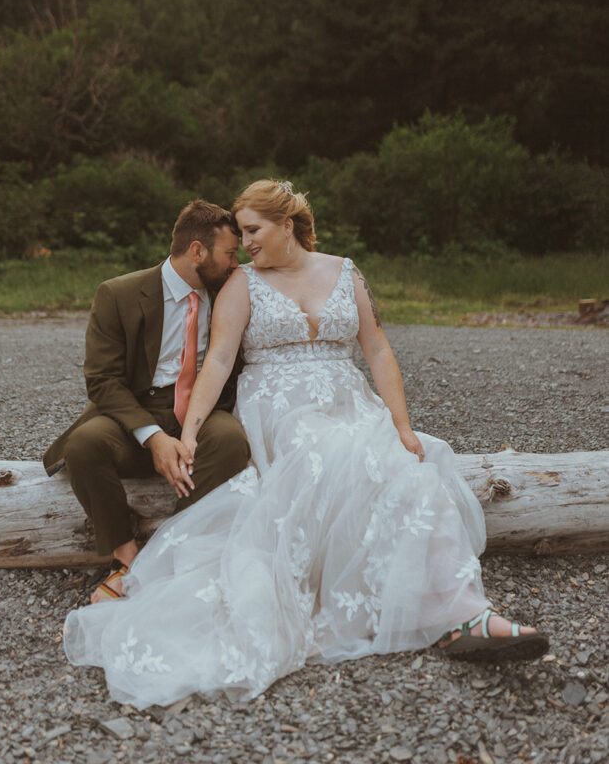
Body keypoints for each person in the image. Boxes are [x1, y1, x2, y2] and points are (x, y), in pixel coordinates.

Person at [63, 180, 548, 706]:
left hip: (349, 401)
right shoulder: (242, 283)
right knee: (335, 456)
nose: (245, 244)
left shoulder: (346, 271)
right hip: (281, 410)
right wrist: (190, 431)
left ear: (286, 225)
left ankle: (464, 614)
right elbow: (219, 360)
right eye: (240, 234)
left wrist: (402, 425)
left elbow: (378, 350)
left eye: (253, 230)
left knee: (415, 466)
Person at [43, 199, 251, 602]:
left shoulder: (230, 290)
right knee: (85, 444)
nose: (234, 264)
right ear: (197, 251)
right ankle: (126, 555)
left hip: (202, 412)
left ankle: (167, 551)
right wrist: (154, 438)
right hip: (137, 411)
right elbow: (102, 381)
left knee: (230, 442)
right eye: (229, 254)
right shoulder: (118, 294)